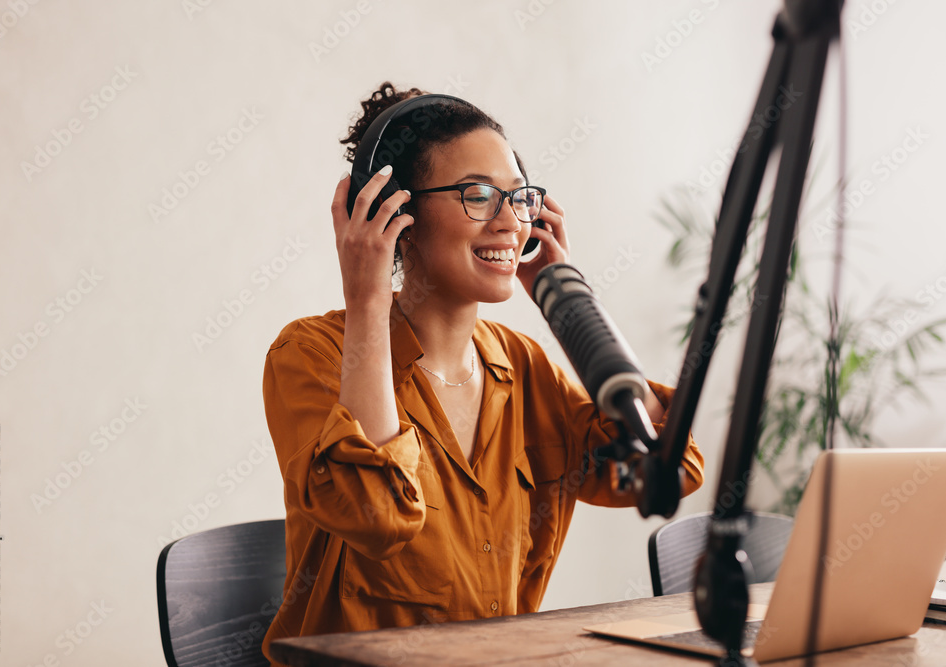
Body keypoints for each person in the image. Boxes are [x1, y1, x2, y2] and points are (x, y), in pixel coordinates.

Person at [260, 82, 704, 662]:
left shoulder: (522, 366)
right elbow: (377, 516)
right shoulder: (309, 355)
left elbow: (660, 469)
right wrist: (366, 297)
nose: (509, 222)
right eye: (477, 195)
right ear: (397, 212)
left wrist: (567, 300)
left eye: (519, 200)